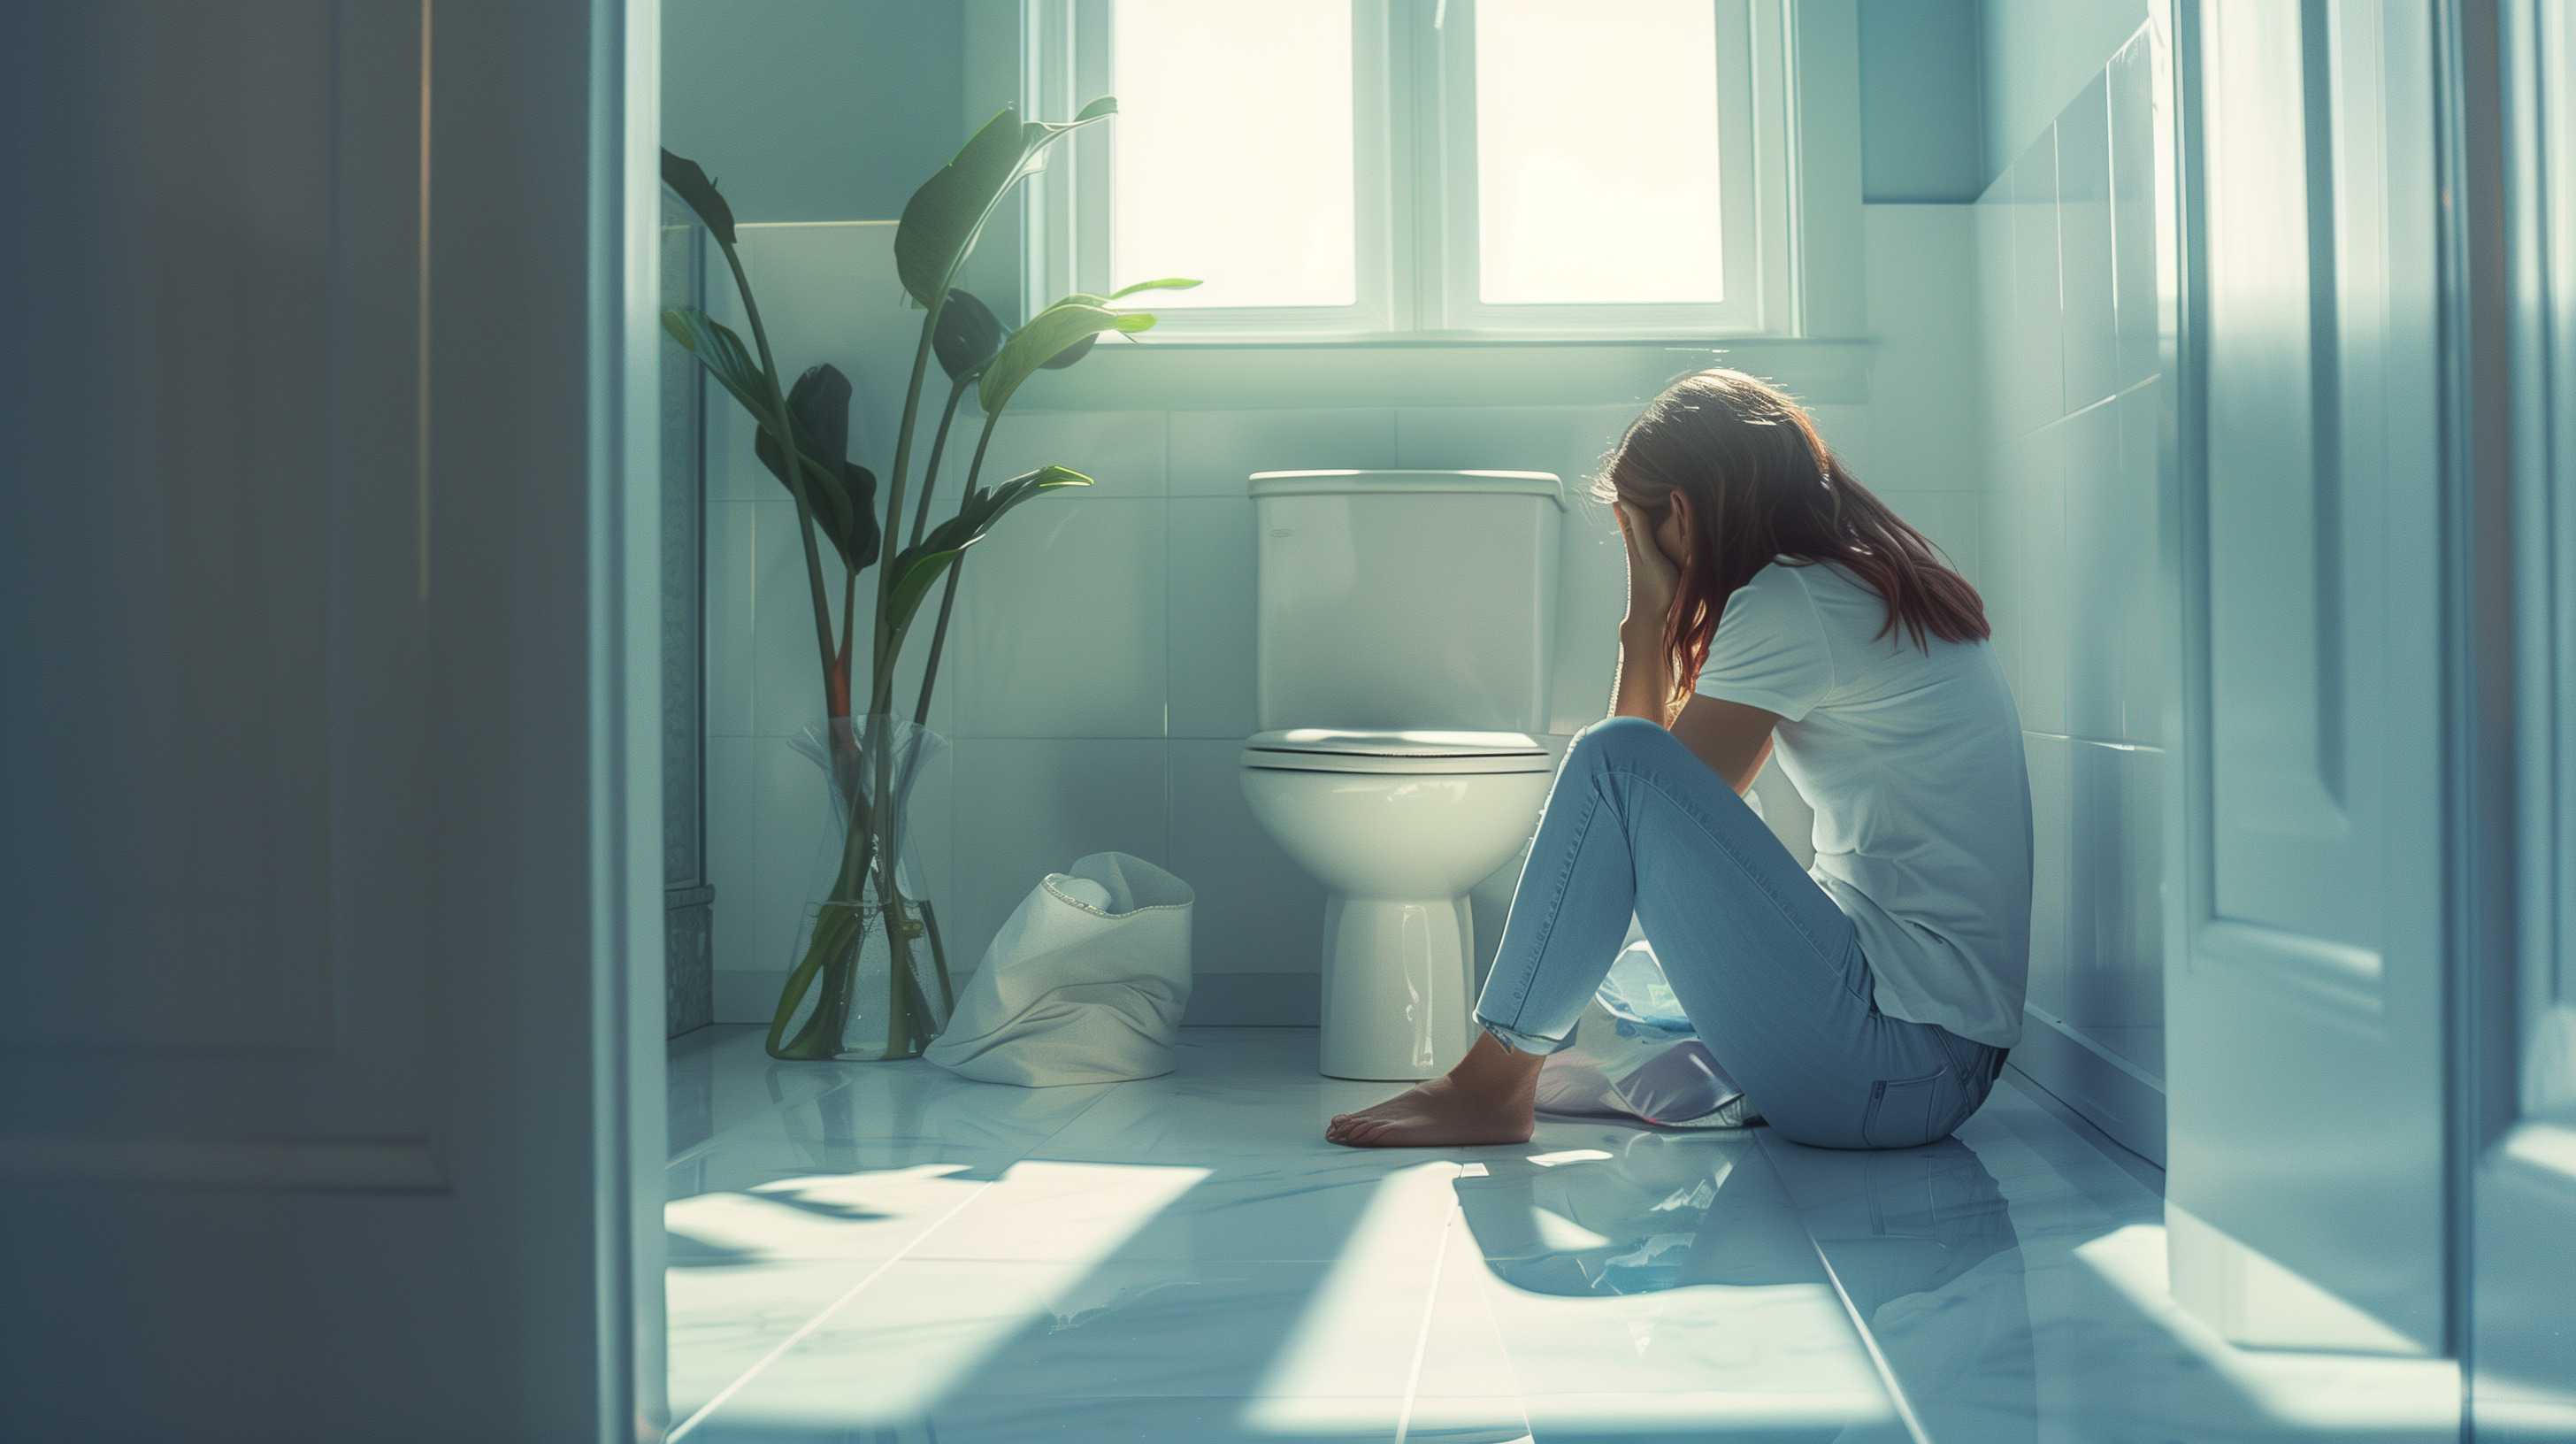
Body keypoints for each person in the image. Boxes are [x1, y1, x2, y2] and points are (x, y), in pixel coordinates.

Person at [1326, 369, 2033, 1150]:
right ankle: (1537, 1070)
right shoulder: (1853, 585)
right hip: (1927, 1062)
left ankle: (1491, 1087)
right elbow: (1674, 812)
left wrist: (1647, 613)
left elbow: (1630, 791)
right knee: (1666, 802)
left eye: (1637, 526)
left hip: (1899, 1066)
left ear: (1683, 511)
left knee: (1614, 757)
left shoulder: (1795, 602)